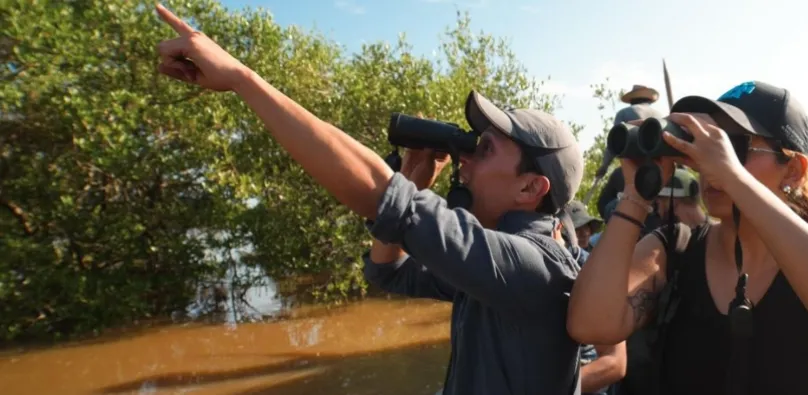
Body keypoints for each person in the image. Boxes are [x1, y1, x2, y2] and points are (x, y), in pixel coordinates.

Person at [150, 5, 584, 394]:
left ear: (530, 188)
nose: (464, 159)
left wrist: (242, 79)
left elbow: (383, 197)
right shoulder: (495, 266)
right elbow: (387, 271)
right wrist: (414, 180)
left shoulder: (531, 267)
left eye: (484, 149)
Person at [567, 81, 808, 395]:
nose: (709, 163)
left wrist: (732, 175)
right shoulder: (673, 247)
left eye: (734, 146)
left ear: (794, 170)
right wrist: (636, 195)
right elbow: (591, 325)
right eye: (706, 144)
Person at [557, 210, 626, 395]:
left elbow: (615, 362)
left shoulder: (595, 271)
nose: (585, 233)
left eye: (587, 227)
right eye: (578, 228)